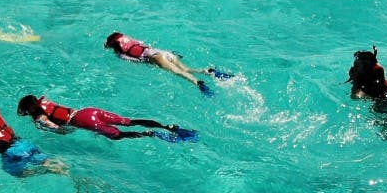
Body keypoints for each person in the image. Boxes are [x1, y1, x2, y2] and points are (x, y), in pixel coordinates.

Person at [16, 95, 196, 142]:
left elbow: (58, 129)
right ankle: (170, 127)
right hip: (89, 111)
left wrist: (65, 131)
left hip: (83, 122)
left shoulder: (39, 116)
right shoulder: (46, 102)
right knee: (128, 121)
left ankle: (150, 134)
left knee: (117, 135)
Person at [104, 32, 232, 96]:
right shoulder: (134, 41)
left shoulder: (121, 54)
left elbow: (137, 61)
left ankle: (199, 84)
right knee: (187, 69)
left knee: (179, 73)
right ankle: (209, 72)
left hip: (156, 57)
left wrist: (147, 63)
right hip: (164, 52)